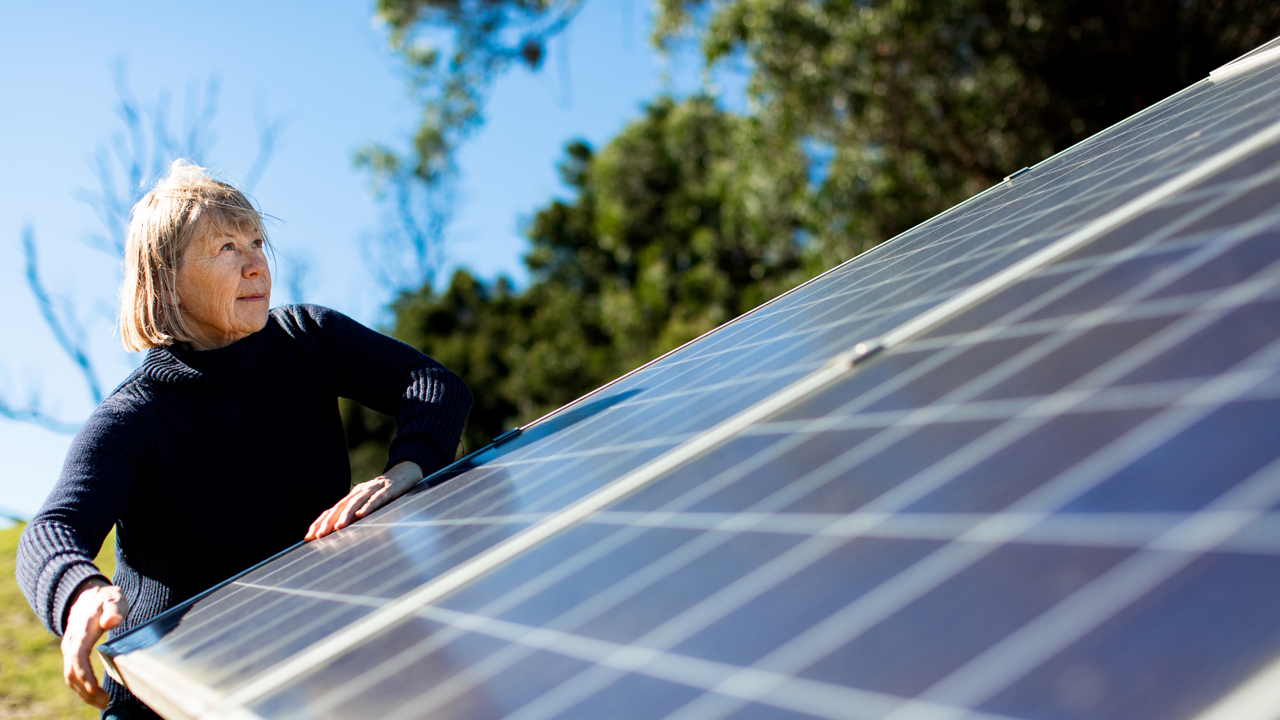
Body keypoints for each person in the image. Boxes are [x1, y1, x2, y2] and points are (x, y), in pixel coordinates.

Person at [15, 160, 472, 719]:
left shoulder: (307, 338)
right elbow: (52, 529)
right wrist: (80, 595)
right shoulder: (133, 419)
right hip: (170, 701)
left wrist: (406, 468)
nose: (255, 264)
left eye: (257, 242)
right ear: (167, 280)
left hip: (305, 675)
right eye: (226, 248)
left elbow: (432, 384)